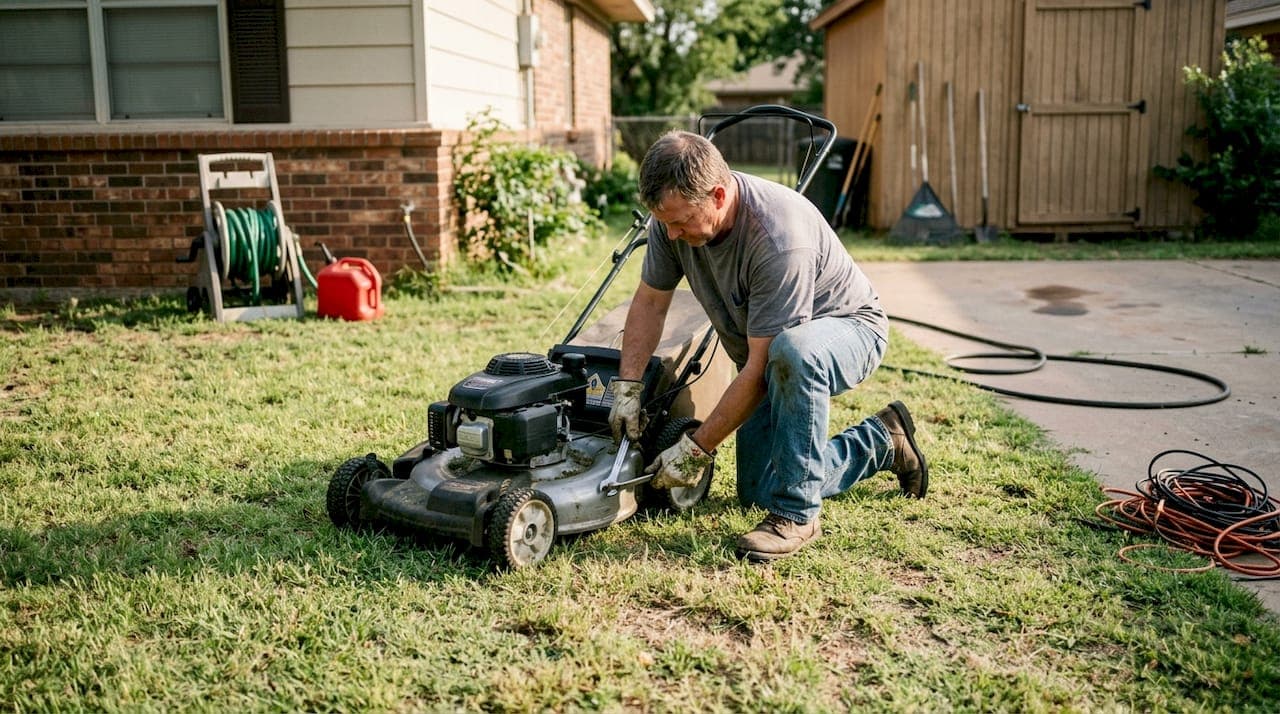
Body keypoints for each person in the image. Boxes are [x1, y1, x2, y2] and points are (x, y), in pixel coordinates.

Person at [607, 130, 929, 562]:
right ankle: (881, 441)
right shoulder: (671, 222)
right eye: (665, 222)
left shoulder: (777, 236)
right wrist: (627, 387)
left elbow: (764, 365)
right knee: (759, 488)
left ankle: (796, 515)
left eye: (682, 221)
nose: (673, 234)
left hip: (847, 332)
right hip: (768, 358)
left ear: (718, 195)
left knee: (794, 352)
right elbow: (649, 302)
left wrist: (696, 447)